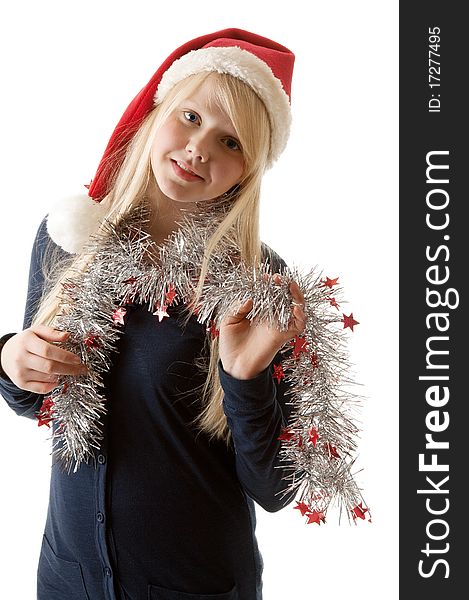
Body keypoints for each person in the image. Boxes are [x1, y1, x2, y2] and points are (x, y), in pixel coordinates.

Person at [0, 28, 305, 600]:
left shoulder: (254, 286)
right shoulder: (70, 234)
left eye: (231, 143)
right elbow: (34, 400)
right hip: (69, 579)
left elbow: (276, 485)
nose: (199, 150)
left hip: (196, 584)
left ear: (248, 171)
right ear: (156, 110)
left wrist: (244, 377)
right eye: (191, 118)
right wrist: (11, 360)